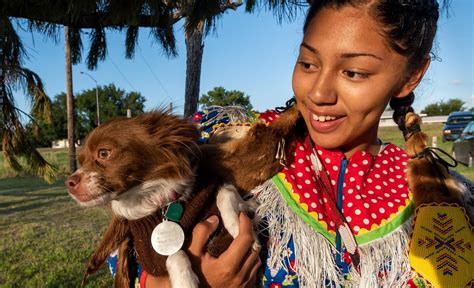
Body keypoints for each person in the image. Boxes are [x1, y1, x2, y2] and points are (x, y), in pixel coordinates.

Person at [145, 0, 473, 287]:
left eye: (354, 73)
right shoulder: (222, 141)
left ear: (411, 76)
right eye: (308, 64)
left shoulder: (447, 201)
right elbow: (131, 254)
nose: (318, 94)